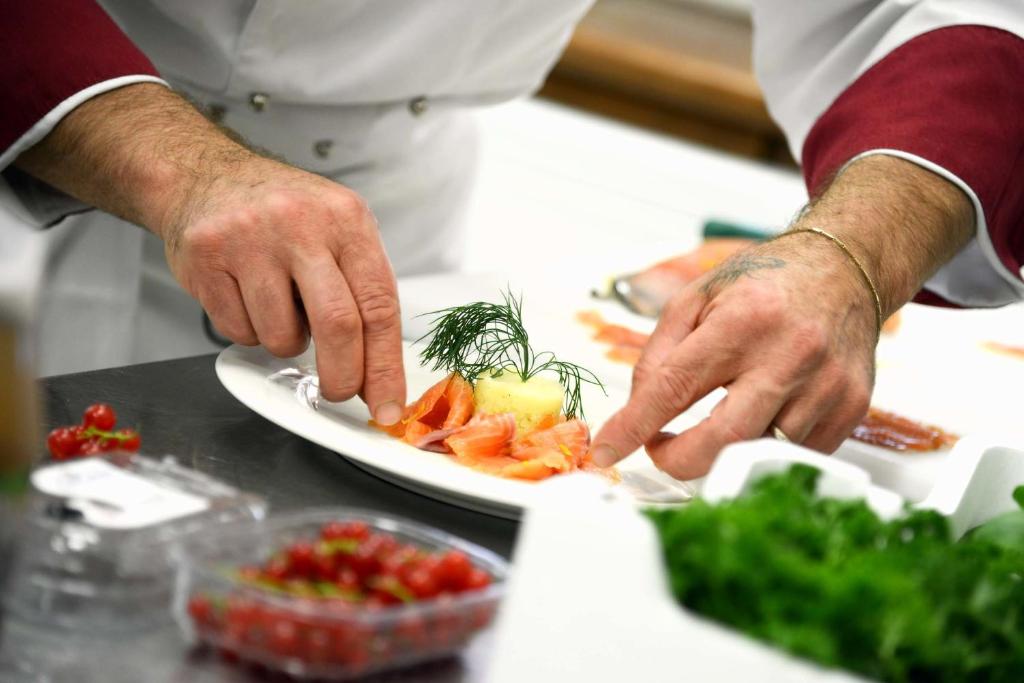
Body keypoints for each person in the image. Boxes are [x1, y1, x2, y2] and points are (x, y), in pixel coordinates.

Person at [3, 1, 1022, 479]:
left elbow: (930, 13)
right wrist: (178, 164)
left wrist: (850, 253)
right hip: (48, 144)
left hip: (387, 210)